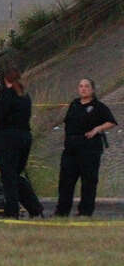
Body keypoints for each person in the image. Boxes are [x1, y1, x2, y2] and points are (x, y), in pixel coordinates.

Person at [0, 67, 43, 218]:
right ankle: (34, 207)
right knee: (15, 175)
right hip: (25, 137)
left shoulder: (7, 95)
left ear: (5, 79)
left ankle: (12, 212)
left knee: (8, 177)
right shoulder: (25, 96)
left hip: (7, 139)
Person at [55, 78, 117, 217]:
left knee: (88, 181)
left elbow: (111, 122)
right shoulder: (74, 104)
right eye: (81, 86)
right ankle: (62, 211)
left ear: (92, 89)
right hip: (71, 148)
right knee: (66, 181)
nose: (83, 89)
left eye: (86, 86)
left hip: (89, 147)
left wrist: (98, 129)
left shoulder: (98, 106)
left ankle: (85, 212)